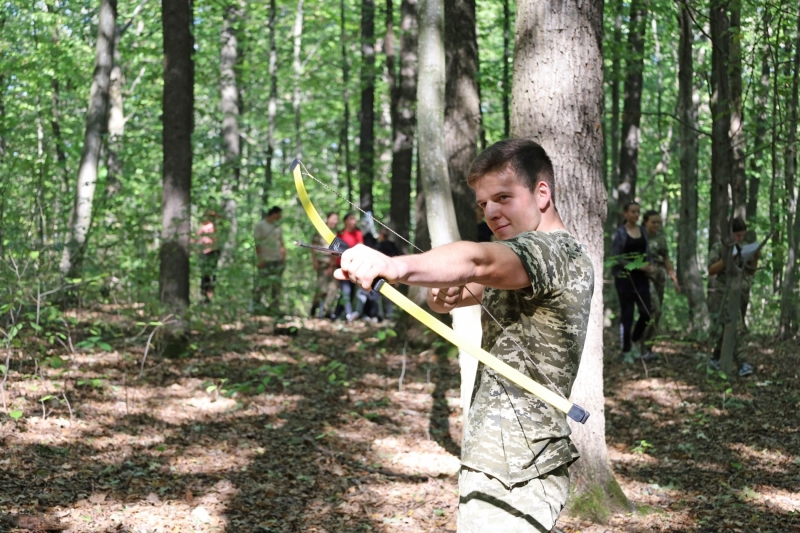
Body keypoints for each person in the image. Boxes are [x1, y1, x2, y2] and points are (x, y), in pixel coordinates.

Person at [333, 139, 593, 532]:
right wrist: (446, 294)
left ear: (542, 194)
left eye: (503, 197)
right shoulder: (524, 260)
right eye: (483, 203)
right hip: (492, 458)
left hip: (520, 469)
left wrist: (392, 264)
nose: (490, 212)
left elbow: (477, 260)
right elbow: (462, 290)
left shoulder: (554, 252)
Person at [707, 217, 759, 377]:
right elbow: (711, 269)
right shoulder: (720, 247)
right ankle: (742, 363)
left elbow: (750, 271)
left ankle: (715, 358)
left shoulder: (745, 247)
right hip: (725, 292)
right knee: (737, 327)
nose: (740, 238)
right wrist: (727, 258)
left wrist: (755, 257)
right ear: (730, 234)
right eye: (737, 235)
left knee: (729, 328)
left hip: (742, 294)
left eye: (742, 235)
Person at [610, 201, 655, 362]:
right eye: (633, 212)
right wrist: (636, 266)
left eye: (638, 212)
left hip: (642, 279)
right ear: (625, 214)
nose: (636, 215)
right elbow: (616, 257)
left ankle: (634, 340)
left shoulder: (643, 231)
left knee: (646, 312)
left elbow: (647, 252)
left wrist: (649, 266)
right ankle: (626, 350)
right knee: (627, 314)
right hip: (624, 279)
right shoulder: (621, 233)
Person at [641, 210, 680, 352]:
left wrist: (674, 278)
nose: (656, 225)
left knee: (658, 312)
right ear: (645, 222)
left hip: (660, 275)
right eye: (653, 222)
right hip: (644, 277)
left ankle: (648, 347)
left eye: (658, 222)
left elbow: (666, 258)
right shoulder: (638, 235)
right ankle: (641, 345)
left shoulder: (661, 237)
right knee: (653, 309)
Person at [253, 206, 286, 315]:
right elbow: (257, 243)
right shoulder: (260, 225)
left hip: (277, 259)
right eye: (278, 215)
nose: (280, 217)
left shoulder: (278, 227)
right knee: (262, 284)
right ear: (273, 214)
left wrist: (283, 258)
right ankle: (256, 306)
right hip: (266, 259)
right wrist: (260, 259)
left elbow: (281, 243)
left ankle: (274, 308)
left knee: (276, 286)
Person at [311, 212, 341, 318]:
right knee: (321, 289)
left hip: (332, 265)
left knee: (333, 288)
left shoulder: (336, 234)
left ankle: (326, 311)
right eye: (333, 219)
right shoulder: (320, 231)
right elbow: (314, 247)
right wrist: (314, 261)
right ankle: (314, 308)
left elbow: (335, 251)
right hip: (322, 264)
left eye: (336, 219)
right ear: (328, 219)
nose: (335, 221)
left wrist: (332, 266)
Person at [336, 213, 363, 322]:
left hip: (354, 266)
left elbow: (361, 248)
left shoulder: (358, 233)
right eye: (351, 219)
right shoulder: (340, 233)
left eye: (354, 219)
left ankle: (335, 314)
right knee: (345, 291)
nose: (354, 222)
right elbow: (335, 250)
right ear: (345, 221)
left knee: (349, 291)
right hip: (341, 266)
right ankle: (348, 314)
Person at [196, 211, 221, 303]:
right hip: (203, 253)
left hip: (211, 252)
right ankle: (204, 294)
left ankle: (209, 294)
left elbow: (212, 240)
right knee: (205, 274)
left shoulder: (211, 226)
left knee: (210, 274)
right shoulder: (203, 227)